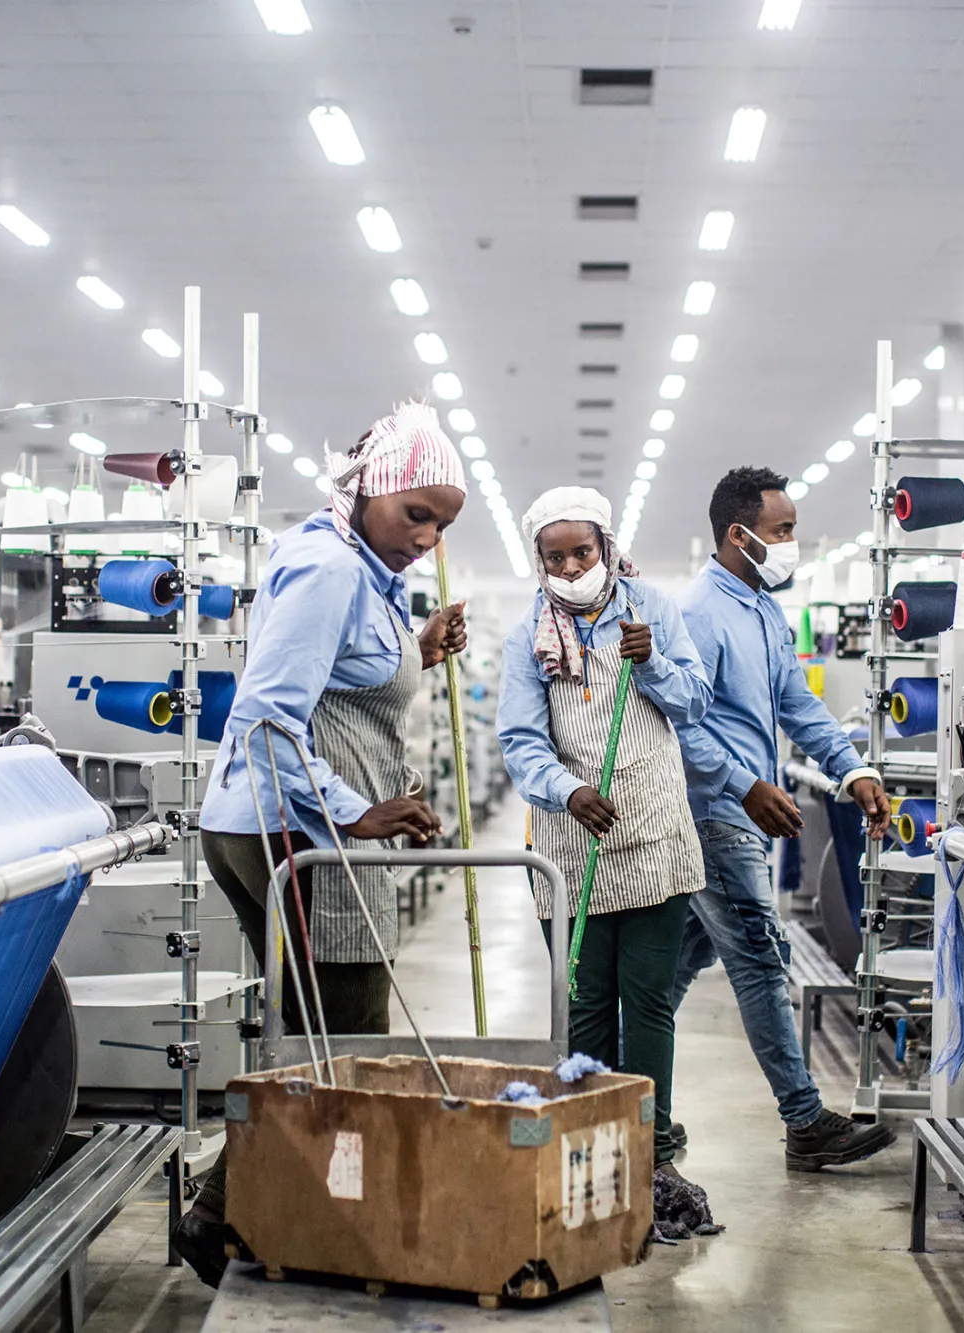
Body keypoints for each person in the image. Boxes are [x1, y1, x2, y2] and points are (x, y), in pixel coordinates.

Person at [173, 400, 467, 1284]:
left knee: (324, 1039)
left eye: (442, 524)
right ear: (371, 491)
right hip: (292, 835)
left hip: (302, 830)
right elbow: (267, 715)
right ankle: (233, 1218)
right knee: (346, 1043)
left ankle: (272, 1217)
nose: (425, 536)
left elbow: (339, 677)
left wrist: (417, 649)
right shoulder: (329, 567)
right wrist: (349, 812)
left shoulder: (364, 574)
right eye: (415, 512)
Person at [670, 466, 898, 1171]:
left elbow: (796, 704)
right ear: (739, 535)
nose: (792, 543)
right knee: (761, 960)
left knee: (675, 968)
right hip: (715, 813)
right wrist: (743, 786)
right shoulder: (699, 613)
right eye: (783, 531)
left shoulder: (764, 609)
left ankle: (606, 1083)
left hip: (737, 815)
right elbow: (680, 724)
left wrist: (852, 768)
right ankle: (804, 1119)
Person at [496, 486, 715, 1201]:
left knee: (646, 1001)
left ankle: (651, 1147)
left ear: (606, 546)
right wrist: (565, 790)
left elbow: (695, 701)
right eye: (554, 556)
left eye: (580, 551)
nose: (568, 566)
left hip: (652, 834)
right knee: (585, 1002)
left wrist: (650, 662)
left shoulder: (651, 608)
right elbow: (520, 738)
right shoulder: (526, 631)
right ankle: (588, 1140)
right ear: (539, 560)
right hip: (569, 840)